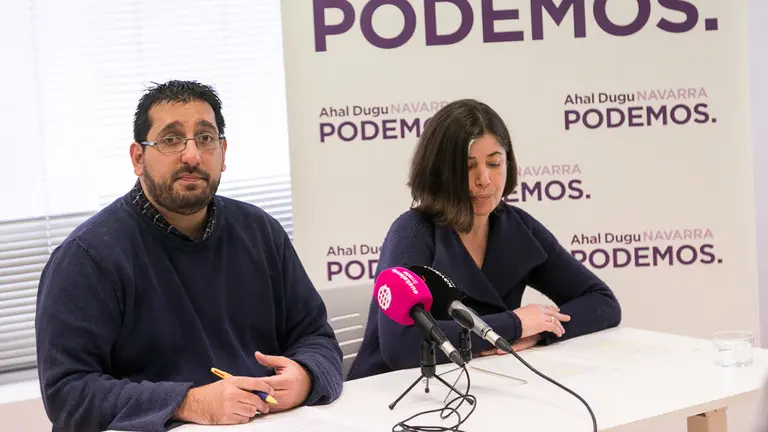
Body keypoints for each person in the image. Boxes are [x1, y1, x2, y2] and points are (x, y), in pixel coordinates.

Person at [35, 80, 343, 432]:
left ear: (223, 152)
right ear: (138, 157)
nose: (193, 156)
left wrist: (306, 375)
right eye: (171, 140)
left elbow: (316, 337)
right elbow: (68, 394)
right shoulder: (87, 257)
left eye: (206, 138)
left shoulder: (260, 232)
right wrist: (188, 402)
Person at [347, 99, 622, 380]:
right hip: (391, 394)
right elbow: (401, 346)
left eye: (494, 163)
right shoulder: (412, 232)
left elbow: (602, 302)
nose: (484, 180)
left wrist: (540, 332)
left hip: (480, 383)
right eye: (468, 167)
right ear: (440, 171)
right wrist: (513, 325)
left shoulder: (516, 225)